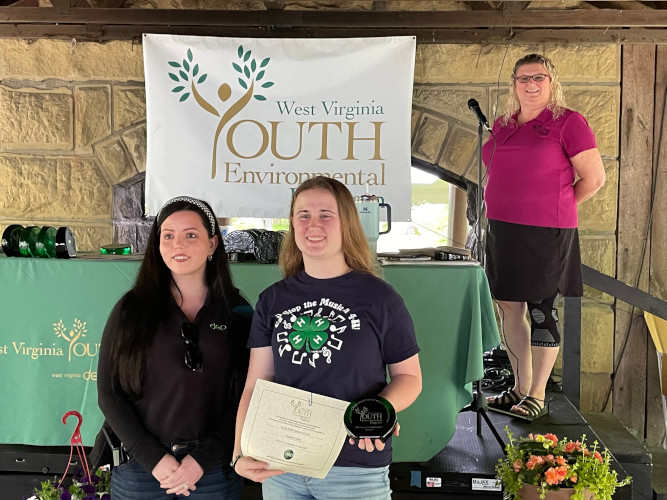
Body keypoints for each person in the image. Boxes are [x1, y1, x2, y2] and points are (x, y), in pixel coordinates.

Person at [231, 176, 422, 499]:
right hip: (284, 466)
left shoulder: (380, 298)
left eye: (325, 215)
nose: (313, 224)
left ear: (346, 222)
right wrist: (239, 452)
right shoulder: (272, 300)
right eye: (303, 215)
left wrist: (375, 412)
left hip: (356, 470)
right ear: (292, 223)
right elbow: (256, 384)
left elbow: (409, 377)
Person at [97, 196, 252, 499]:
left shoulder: (237, 311)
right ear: (157, 245)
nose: (178, 244)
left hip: (212, 473)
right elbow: (109, 393)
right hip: (141, 471)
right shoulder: (130, 310)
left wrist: (202, 460)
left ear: (212, 244)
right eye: (168, 236)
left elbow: (248, 393)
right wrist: (154, 459)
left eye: (191, 235)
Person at [482, 53, 605, 421]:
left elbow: (594, 180)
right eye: (523, 78)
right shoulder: (503, 125)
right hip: (503, 229)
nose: (531, 84)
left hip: (547, 231)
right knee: (509, 308)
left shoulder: (569, 123)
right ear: (514, 84)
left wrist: (557, 207)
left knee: (541, 310)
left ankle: (537, 393)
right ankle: (519, 387)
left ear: (552, 82)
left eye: (539, 77)